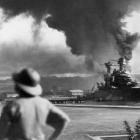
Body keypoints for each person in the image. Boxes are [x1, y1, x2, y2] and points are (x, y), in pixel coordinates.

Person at [0, 68, 70, 140]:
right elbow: (64, 120)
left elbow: (1, 133)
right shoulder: (44, 103)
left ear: (17, 87)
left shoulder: (13, 105)